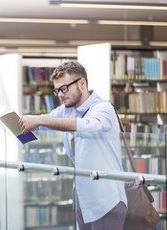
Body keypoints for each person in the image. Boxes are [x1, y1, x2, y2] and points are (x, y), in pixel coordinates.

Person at [19, 61, 127, 230]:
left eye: (64, 88)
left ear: (82, 84)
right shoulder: (64, 110)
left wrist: (39, 119)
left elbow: (89, 126)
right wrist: (20, 125)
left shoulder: (103, 108)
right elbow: (37, 130)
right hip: (83, 198)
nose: (60, 95)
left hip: (108, 199)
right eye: (57, 91)